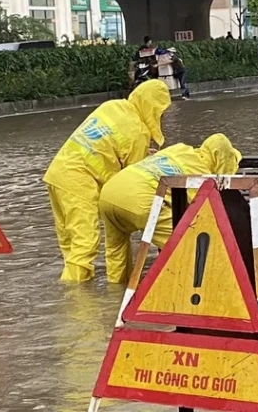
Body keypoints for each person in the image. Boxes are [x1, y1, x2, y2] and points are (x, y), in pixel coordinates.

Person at [43, 80, 173, 282]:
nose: (161, 116)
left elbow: (107, 145)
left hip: (58, 172)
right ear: (153, 107)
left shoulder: (113, 106)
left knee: (69, 243)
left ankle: (73, 285)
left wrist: (143, 153)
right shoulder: (139, 132)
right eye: (160, 111)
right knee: (84, 246)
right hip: (80, 181)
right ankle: (78, 303)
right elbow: (132, 179)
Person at [96, 132, 240, 284]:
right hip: (140, 201)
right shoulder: (201, 171)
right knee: (191, 250)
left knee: (116, 256)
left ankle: (114, 297)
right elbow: (203, 208)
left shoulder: (179, 150)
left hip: (108, 194)